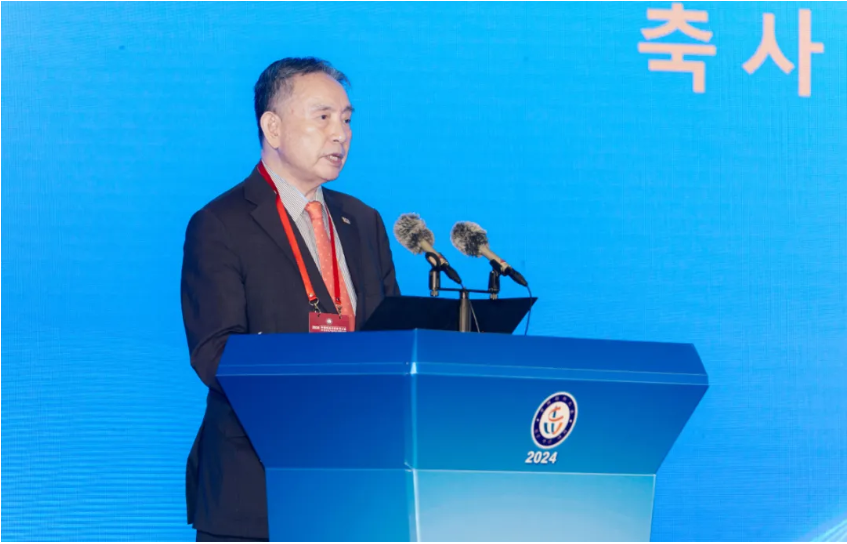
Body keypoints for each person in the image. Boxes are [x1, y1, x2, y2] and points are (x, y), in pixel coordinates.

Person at [180, 57, 401, 542]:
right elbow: (215, 354)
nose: (340, 134)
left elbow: (393, 340)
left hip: (357, 486)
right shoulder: (220, 225)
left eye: (347, 119)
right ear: (273, 127)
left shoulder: (363, 221)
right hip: (257, 483)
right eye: (323, 117)